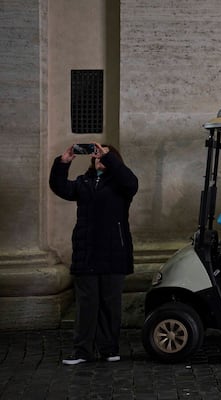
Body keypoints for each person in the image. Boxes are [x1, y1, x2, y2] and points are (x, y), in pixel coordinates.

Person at [49, 142, 138, 365]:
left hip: (113, 252)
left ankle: (109, 349)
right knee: (86, 304)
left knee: (110, 304)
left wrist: (109, 157)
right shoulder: (83, 183)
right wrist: (63, 162)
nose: (98, 158)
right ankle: (82, 351)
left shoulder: (121, 184)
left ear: (112, 159)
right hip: (86, 252)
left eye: (102, 155)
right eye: (96, 155)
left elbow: (131, 182)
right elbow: (60, 187)